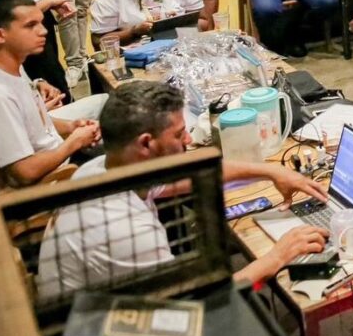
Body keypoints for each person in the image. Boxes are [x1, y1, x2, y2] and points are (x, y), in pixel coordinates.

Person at [36, 80, 330, 299]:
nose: (189, 139)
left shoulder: (105, 168)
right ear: (146, 144)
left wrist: (271, 171)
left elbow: (196, 172)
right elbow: (195, 309)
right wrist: (276, 258)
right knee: (257, 301)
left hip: (103, 315)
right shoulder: (126, 229)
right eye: (179, 134)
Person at [0, 0, 102, 188]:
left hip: (60, 162)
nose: (43, 31)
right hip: (53, 181)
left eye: (41, 23)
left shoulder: (5, 70)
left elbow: (27, 122)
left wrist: (71, 127)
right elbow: (25, 172)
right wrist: (74, 142)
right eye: (30, 25)